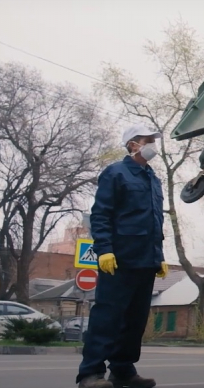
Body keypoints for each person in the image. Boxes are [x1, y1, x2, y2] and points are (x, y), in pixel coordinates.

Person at [76, 125, 169, 388]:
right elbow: (101, 215)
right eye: (147, 140)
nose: (152, 144)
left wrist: (159, 255)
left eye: (153, 140)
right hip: (119, 259)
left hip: (146, 260)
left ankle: (123, 370)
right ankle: (90, 374)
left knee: (135, 320)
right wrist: (104, 250)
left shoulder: (153, 179)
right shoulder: (115, 173)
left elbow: (155, 221)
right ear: (132, 145)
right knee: (108, 318)